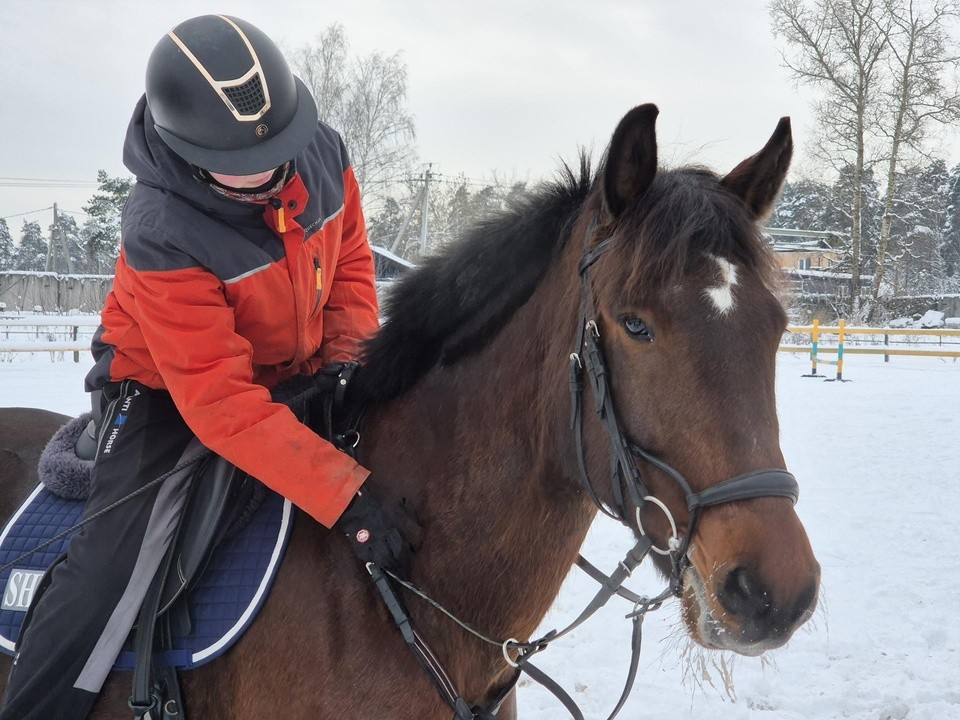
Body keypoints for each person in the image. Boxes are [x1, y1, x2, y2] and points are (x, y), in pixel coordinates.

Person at [1, 15, 396, 720]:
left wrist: (345, 363)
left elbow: (352, 272)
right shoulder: (160, 226)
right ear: (185, 149)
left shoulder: (322, 153)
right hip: (168, 390)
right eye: (241, 166)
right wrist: (341, 494)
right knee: (109, 573)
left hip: (298, 368)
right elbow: (220, 404)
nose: (269, 173)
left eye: (279, 149)